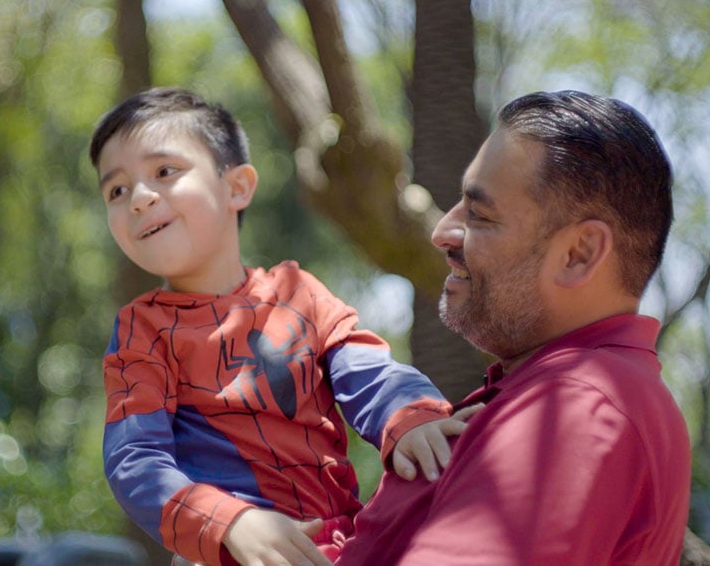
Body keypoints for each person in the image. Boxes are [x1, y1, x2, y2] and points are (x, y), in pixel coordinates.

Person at [89, 87, 473, 566]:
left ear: (237, 186)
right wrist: (226, 522)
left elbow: (368, 372)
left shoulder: (298, 292)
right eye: (116, 190)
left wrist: (413, 416)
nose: (140, 199)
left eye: (164, 172)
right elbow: (136, 460)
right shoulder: (141, 330)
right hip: (229, 553)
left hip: (344, 546)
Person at [335, 90, 691, 565]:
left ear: (578, 253)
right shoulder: (578, 391)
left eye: (479, 216)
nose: (443, 232)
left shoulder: (577, 406)